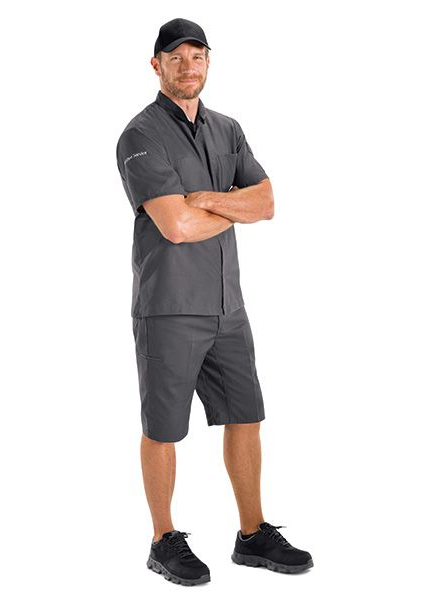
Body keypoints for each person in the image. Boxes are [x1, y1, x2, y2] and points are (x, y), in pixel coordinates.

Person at [115, 17, 313, 585]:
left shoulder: (228, 129)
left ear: (208, 62)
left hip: (229, 305)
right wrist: (229, 203)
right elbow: (175, 226)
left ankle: (252, 534)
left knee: (246, 416)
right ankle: (163, 540)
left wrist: (204, 199)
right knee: (163, 427)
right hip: (170, 306)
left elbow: (267, 202)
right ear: (156, 65)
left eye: (196, 55)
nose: (187, 65)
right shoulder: (140, 134)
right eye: (175, 56)